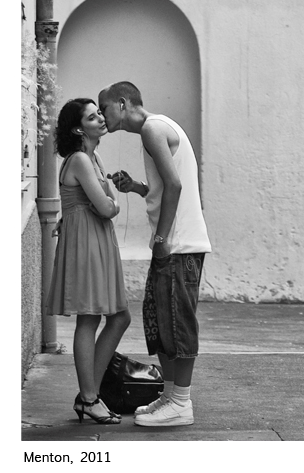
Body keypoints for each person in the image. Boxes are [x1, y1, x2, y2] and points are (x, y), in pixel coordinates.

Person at [98, 81, 211, 428]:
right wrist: (135, 187)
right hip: (174, 244)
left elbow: (175, 185)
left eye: (104, 108)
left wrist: (161, 237)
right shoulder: (158, 127)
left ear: (122, 103)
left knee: (177, 324)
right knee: (160, 321)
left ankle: (180, 403)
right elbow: (165, 187)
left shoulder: (151, 128)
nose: (102, 116)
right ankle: (170, 396)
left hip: (177, 245)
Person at [46, 98, 131, 425]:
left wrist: (108, 202)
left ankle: (88, 395)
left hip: (95, 239)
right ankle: (90, 398)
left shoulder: (92, 157)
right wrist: (111, 202)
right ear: (79, 129)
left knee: (118, 317)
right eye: (93, 117)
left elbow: (106, 204)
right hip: (86, 242)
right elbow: (107, 207)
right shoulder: (81, 159)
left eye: (99, 114)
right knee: (90, 318)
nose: (101, 119)